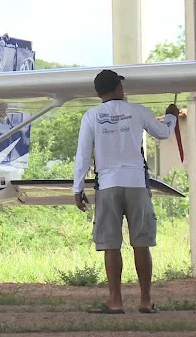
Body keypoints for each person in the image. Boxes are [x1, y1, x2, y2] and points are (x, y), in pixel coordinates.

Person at [72, 69, 179, 314]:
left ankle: (115, 301)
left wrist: (78, 188)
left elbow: (82, 155)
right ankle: (145, 301)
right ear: (120, 88)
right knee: (141, 243)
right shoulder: (137, 111)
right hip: (136, 185)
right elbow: (163, 132)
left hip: (108, 185)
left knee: (110, 244)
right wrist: (171, 117)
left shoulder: (91, 116)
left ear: (98, 93)